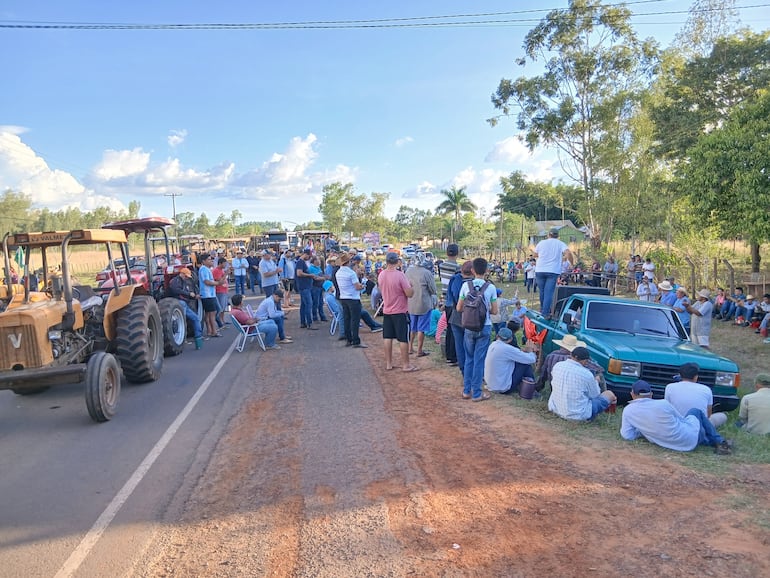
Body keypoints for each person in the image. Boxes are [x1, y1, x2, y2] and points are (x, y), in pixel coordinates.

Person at [621, 380, 732, 454]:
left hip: (670, 443)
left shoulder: (628, 411)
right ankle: (720, 442)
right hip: (690, 437)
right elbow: (682, 420)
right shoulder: (663, 404)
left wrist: (643, 430)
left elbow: (627, 435)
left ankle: (713, 440)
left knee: (696, 430)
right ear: (651, 394)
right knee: (695, 411)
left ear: (632, 394)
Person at [456, 257, 499, 402]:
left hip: (468, 327)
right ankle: (477, 393)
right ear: (487, 271)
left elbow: (459, 308)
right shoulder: (491, 288)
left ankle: (467, 391)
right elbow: (494, 311)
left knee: (469, 359)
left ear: (472, 270)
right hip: (484, 326)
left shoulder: (465, 286)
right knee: (479, 360)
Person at [548, 346, 616, 421]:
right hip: (579, 415)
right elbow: (595, 395)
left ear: (571, 355)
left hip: (555, 409)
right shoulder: (587, 374)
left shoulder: (557, 366)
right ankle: (609, 416)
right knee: (610, 394)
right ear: (585, 361)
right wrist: (595, 382)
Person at [377, 251, 416, 371]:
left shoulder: (382, 275)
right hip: (399, 311)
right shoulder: (400, 275)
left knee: (387, 337)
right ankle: (406, 364)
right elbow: (409, 294)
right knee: (403, 338)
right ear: (397, 261)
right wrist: (411, 286)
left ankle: (388, 363)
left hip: (387, 310)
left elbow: (380, 289)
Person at [664, 362, 728, 428]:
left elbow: (667, 408)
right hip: (699, 427)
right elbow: (708, 415)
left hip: (677, 425)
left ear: (680, 375)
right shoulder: (706, 389)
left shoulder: (669, 387)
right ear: (696, 377)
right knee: (723, 416)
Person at [535, 334, 604, 393]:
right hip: (572, 390)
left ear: (561, 345)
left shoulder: (551, 356)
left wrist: (538, 387)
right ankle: (602, 396)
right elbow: (597, 368)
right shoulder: (575, 359)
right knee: (599, 375)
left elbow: (543, 375)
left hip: (555, 389)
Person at [483, 327, 537, 394]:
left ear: (497, 336)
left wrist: (524, 351)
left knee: (519, 361)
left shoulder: (493, 344)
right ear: (510, 339)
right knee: (526, 365)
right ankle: (531, 390)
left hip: (491, 385)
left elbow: (517, 353)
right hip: (502, 388)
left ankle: (525, 386)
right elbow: (531, 359)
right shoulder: (507, 349)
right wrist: (531, 351)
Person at [533, 228, 573, 318]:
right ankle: (545, 313)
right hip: (552, 271)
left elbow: (535, 254)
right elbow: (568, 253)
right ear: (557, 236)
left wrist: (544, 256)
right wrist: (571, 264)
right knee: (549, 292)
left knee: (542, 291)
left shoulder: (541, 243)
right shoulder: (560, 243)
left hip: (540, 270)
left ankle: (543, 308)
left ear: (548, 235)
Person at [406, 257, 438, 358]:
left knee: (413, 327)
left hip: (411, 303)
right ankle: (419, 350)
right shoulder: (427, 273)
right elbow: (433, 289)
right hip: (423, 304)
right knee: (421, 328)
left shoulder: (408, 271)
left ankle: (410, 347)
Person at [446, 260, 473, 373]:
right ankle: (471, 369)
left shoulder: (455, 279)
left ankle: (463, 370)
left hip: (456, 315)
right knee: (470, 345)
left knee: (459, 344)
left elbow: (451, 296)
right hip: (471, 316)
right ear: (473, 271)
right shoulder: (476, 282)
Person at [335, 252, 366, 348]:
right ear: (348, 262)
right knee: (355, 320)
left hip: (343, 297)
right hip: (353, 298)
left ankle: (349, 339)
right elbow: (357, 287)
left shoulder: (338, 273)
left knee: (347, 319)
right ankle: (356, 340)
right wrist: (362, 286)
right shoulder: (351, 273)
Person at [167, 267, 203, 348]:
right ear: (182, 274)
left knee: (195, 318)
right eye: (186, 276)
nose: (186, 278)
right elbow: (176, 291)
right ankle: (183, 338)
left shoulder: (183, 281)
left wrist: (193, 297)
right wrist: (189, 294)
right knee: (182, 320)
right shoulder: (175, 281)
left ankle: (198, 336)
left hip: (184, 303)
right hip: (178, 302)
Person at [438, 243, 461, 367]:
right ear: (457, 253)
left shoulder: (441, 265)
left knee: (449, 328)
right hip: (453, 300)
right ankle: (453, 357)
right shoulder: (458, 267)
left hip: (446, 299)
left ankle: (448, 354)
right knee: (454, 328)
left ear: (447, 253)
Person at [197, 254, 220, 338]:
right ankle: (214, 331)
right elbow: (206, 281)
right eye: (209, 259)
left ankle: (210, 331)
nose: (211, 261)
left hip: (209, 294)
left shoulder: (206, 269)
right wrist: (217, 283)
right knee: (212, 313)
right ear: (203, 261)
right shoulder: (204, 269)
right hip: (207, 294)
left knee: (208, 313)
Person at [213, 257, 229, 330]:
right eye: (224, 263)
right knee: (220, 308)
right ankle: (219, 322)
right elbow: (220, 281)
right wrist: (225, 274)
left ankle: (222, 320)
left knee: (224, 307)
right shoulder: (216, 271)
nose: (225, 265)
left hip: (224, 290)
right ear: (220, 263)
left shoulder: (221, 270)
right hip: (219, 291)